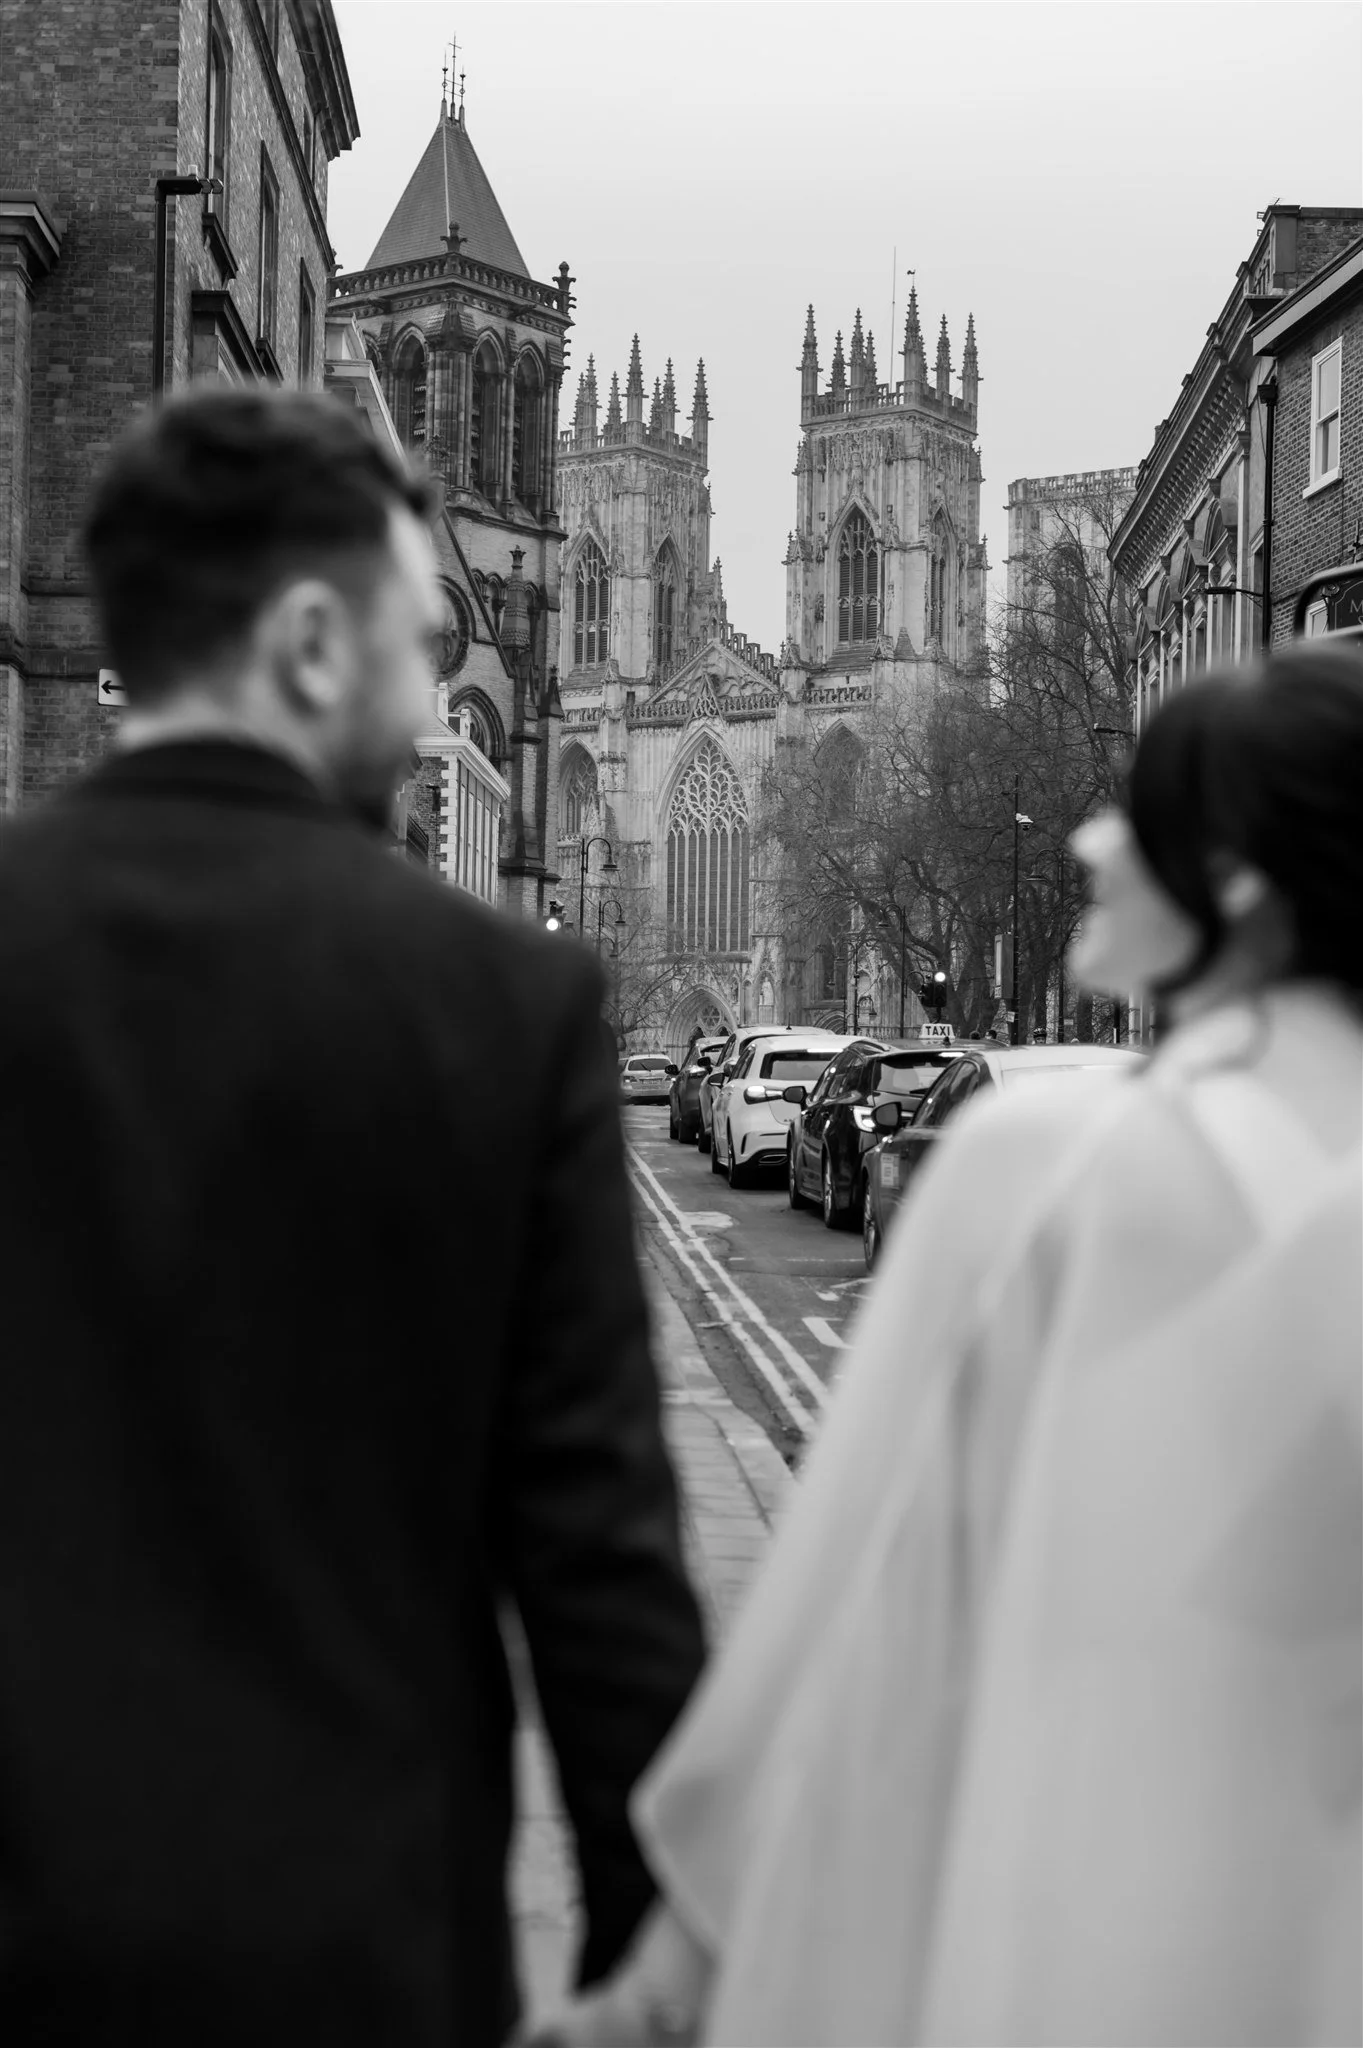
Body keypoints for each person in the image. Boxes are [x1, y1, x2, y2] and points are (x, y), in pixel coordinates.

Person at [528, 645, 1363, 2048]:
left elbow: (865, 1601)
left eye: (1139, 810)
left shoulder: (1048, 1158)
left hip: (1067, 1929)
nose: (1093, 837)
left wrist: (669, 1982)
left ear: (1235, 883)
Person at [0, 388, 706, 2047]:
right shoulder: (501, 1005)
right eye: (416, 640)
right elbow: (592, 1543)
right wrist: (647, 1916)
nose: (429, 695)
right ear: (312, 640)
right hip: (344, 1934)